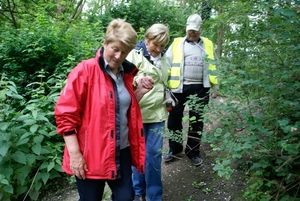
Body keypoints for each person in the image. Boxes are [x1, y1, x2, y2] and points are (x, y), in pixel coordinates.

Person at [54, 18, 152, 201]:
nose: (118, 56)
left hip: (121, 150)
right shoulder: (85, 71)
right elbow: (65, 115)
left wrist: (138, 94)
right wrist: (75, 155)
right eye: (115, 49)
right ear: (105, 43)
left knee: (126, 197)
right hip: (91, 153)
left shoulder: (127, 74)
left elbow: (118, 109)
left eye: (124, 52)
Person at [163, 14, 219, 166]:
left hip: (201, 89)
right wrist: (162, 86)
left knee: (197, 122)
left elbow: (215, 66)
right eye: (190, 30)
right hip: (177, 89)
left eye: (195, 31)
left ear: (201, 29)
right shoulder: (176, 43)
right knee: (173, 120)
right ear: (185, 29)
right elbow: (166, 64)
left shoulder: (208, 44)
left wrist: (216, 87)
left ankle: (193, 151)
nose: (192, 33)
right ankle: (174, 149)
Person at [126, 24, 170, 201]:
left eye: (162, 45)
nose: (158, 49)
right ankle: (138, 190)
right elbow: (125, 79)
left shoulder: (164, 57)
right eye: (155, 45)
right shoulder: (133, 55)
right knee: (138, 154)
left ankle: (154, 196)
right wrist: (139, 80)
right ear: (146, 39)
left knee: (154, 155)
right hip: (139, 113)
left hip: (158, 114)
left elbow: (164, 80)